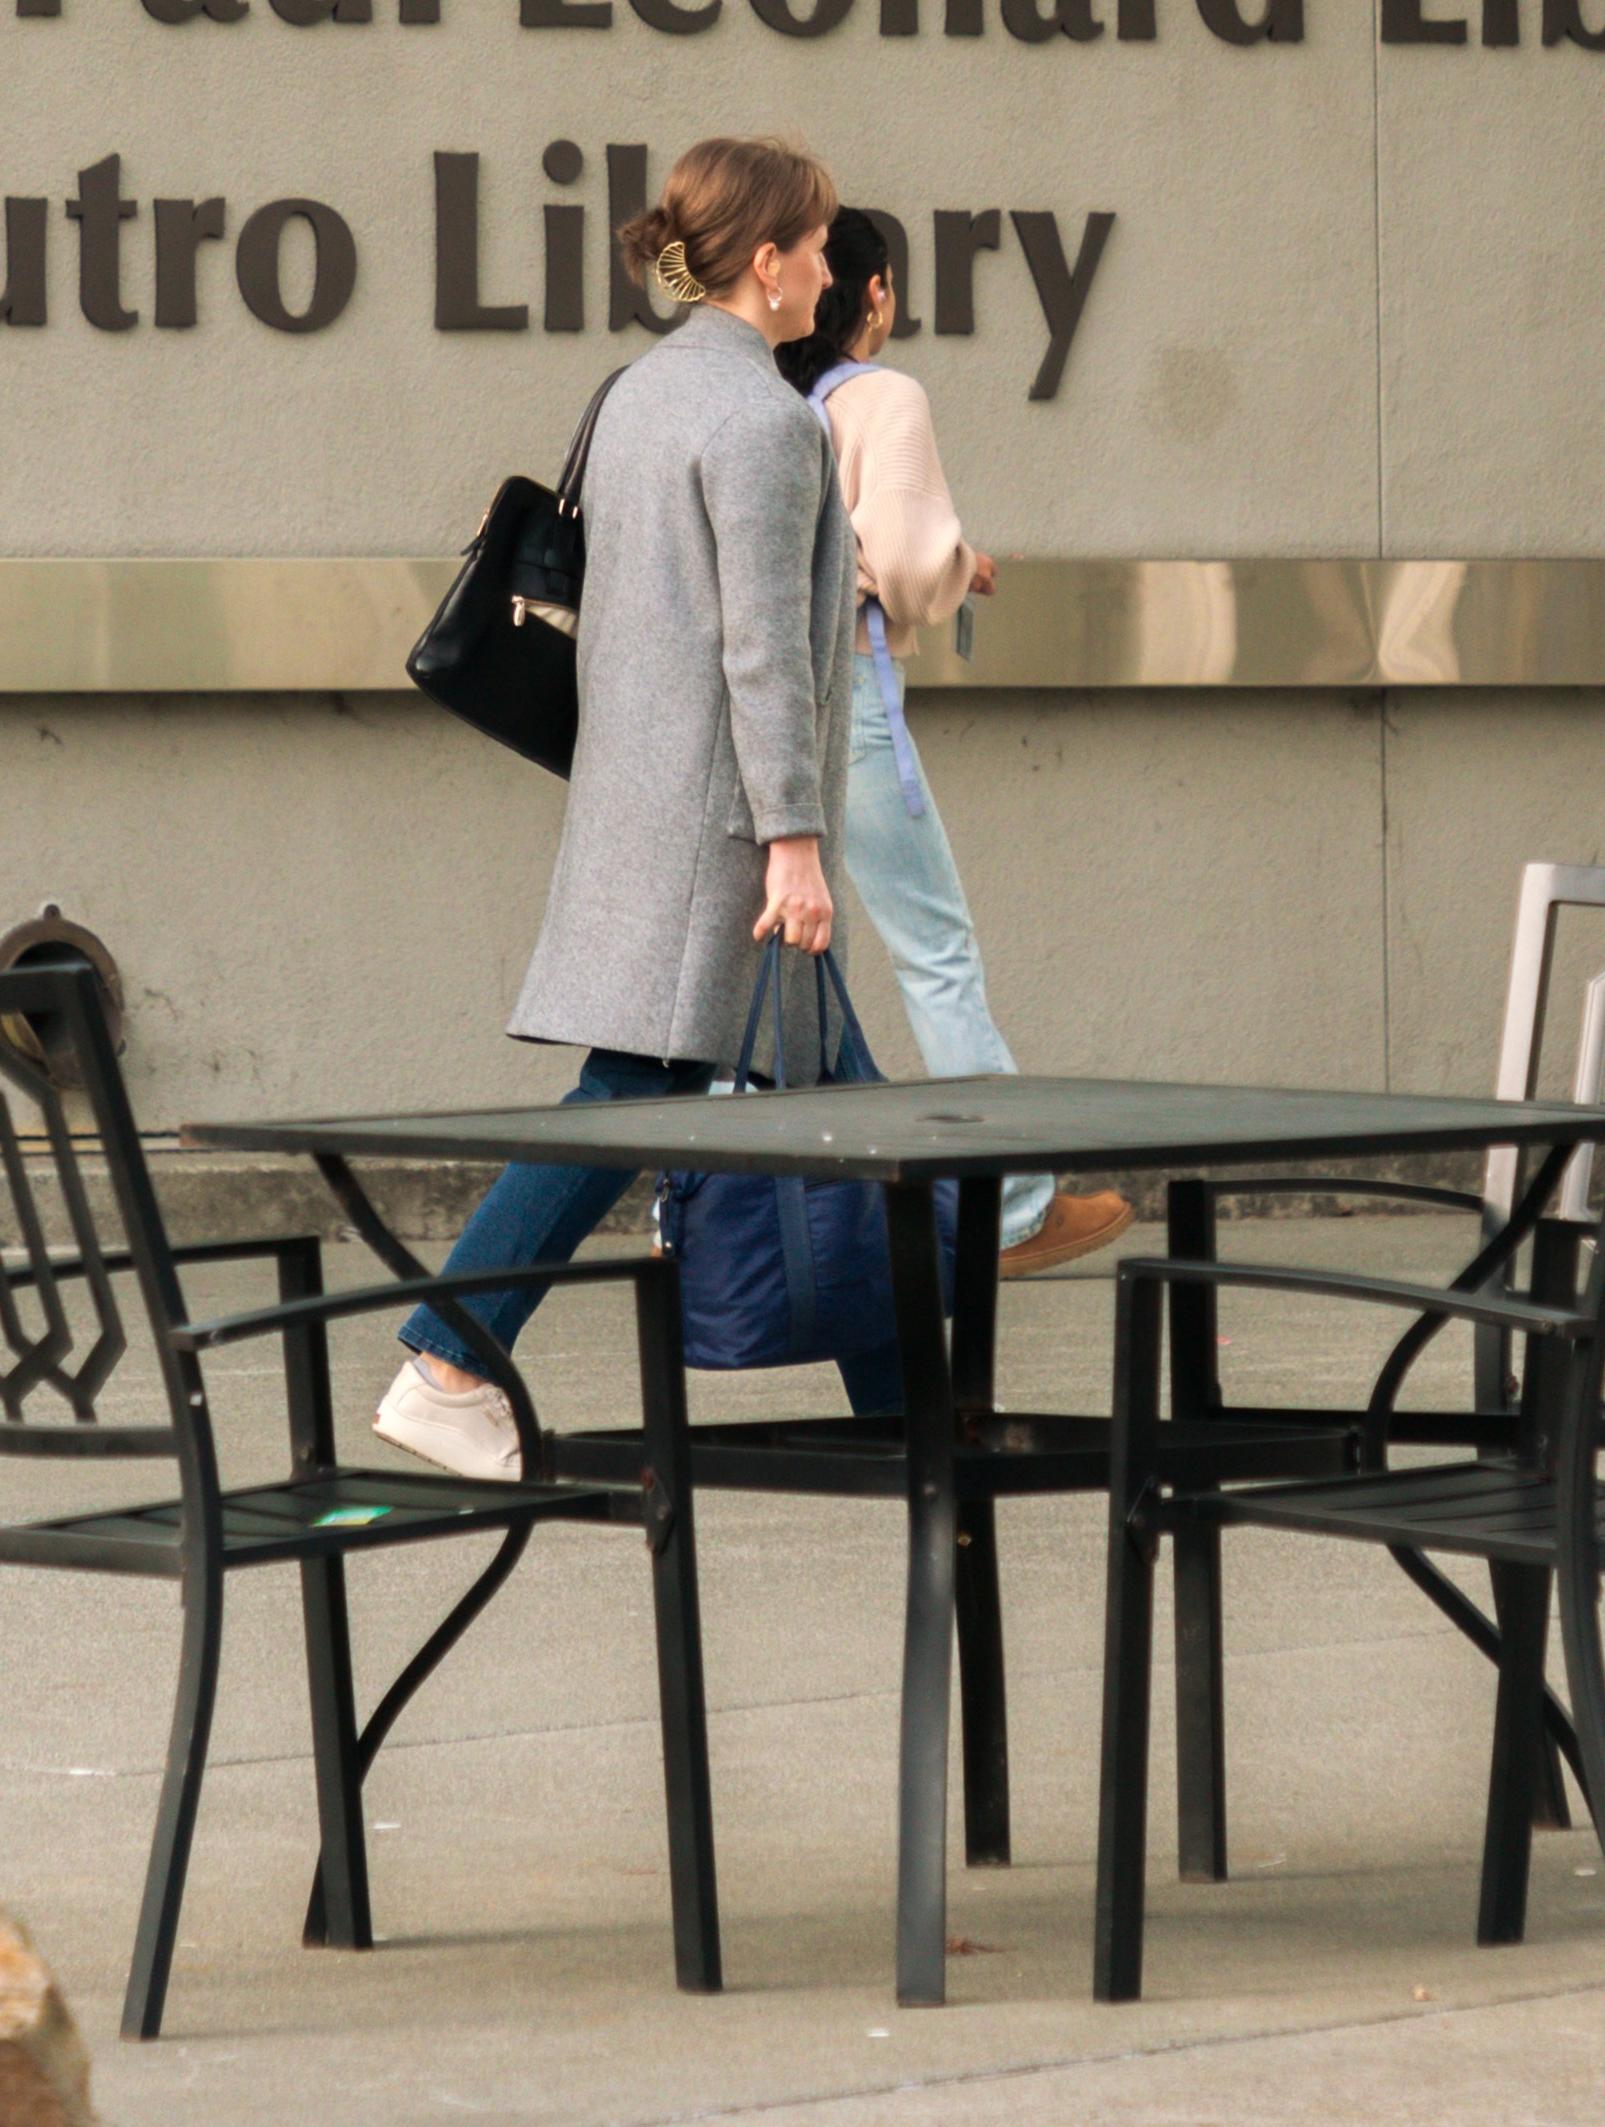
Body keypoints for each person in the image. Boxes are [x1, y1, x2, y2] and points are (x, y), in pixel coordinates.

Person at [377, 138, 896, 1482]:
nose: (834, 271)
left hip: (644, 805)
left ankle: (914, 1402)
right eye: (822, 247)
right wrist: (795, 842)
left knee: (840, 1098)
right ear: (769, 263)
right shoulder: (770, 421)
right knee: (635, 1091)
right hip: (721, 834)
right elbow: (762, 648)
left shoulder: (636, 394)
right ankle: (444, 1357)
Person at [790, 207, 1130, 1279]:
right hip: (840, 692)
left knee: (774, 967)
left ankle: (727, 1215)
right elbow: (899, 561)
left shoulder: (765, 394)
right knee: (933, 948)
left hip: (752, 701)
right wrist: (957, 568)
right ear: (876, 290)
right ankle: (1015, 1208)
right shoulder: (880, 396)